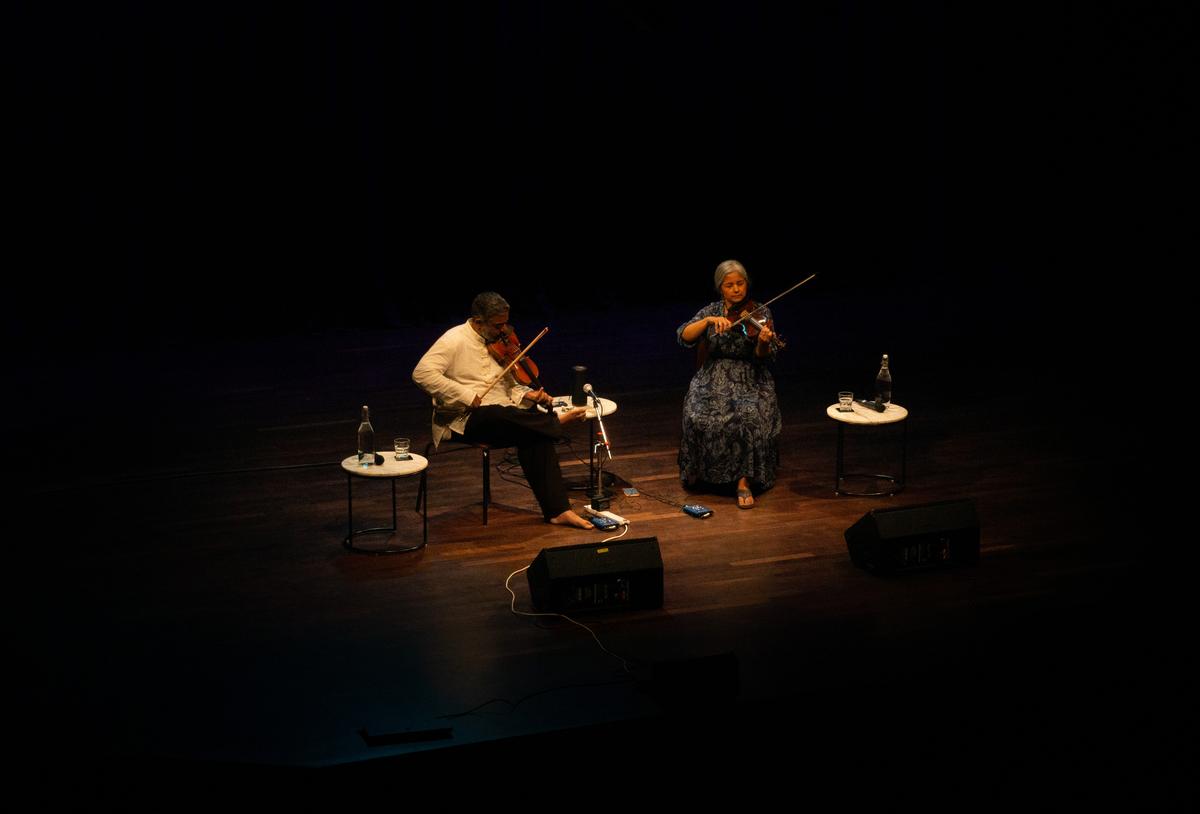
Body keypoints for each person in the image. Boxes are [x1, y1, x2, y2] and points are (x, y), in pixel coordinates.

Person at [413, 292, 594, 529]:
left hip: (502, 417)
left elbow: (509, 387)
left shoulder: (497, 343)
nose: (504, 330)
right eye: (497, 325)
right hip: (462, 420)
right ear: (478, 322)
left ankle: (558, 511)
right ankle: (554, 423)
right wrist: (466, 395)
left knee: (533, 434)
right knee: (499, 413)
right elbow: (422, 374)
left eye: (505, 323)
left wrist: (525, 394)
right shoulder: (453, 340)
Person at [677, 260, 782, 508]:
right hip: (714, 373)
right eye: (729, 285)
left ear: (747, 284)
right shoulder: (711, 310)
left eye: (740, 283)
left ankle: (743, 482)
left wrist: (765, 341)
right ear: (720, 288)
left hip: (750, 375)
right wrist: (709, 322)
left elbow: (762, 356)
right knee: (696, 415)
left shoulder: (761, 312)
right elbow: (683, 335)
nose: (736, 290)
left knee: (749, 417)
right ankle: (699, 471)